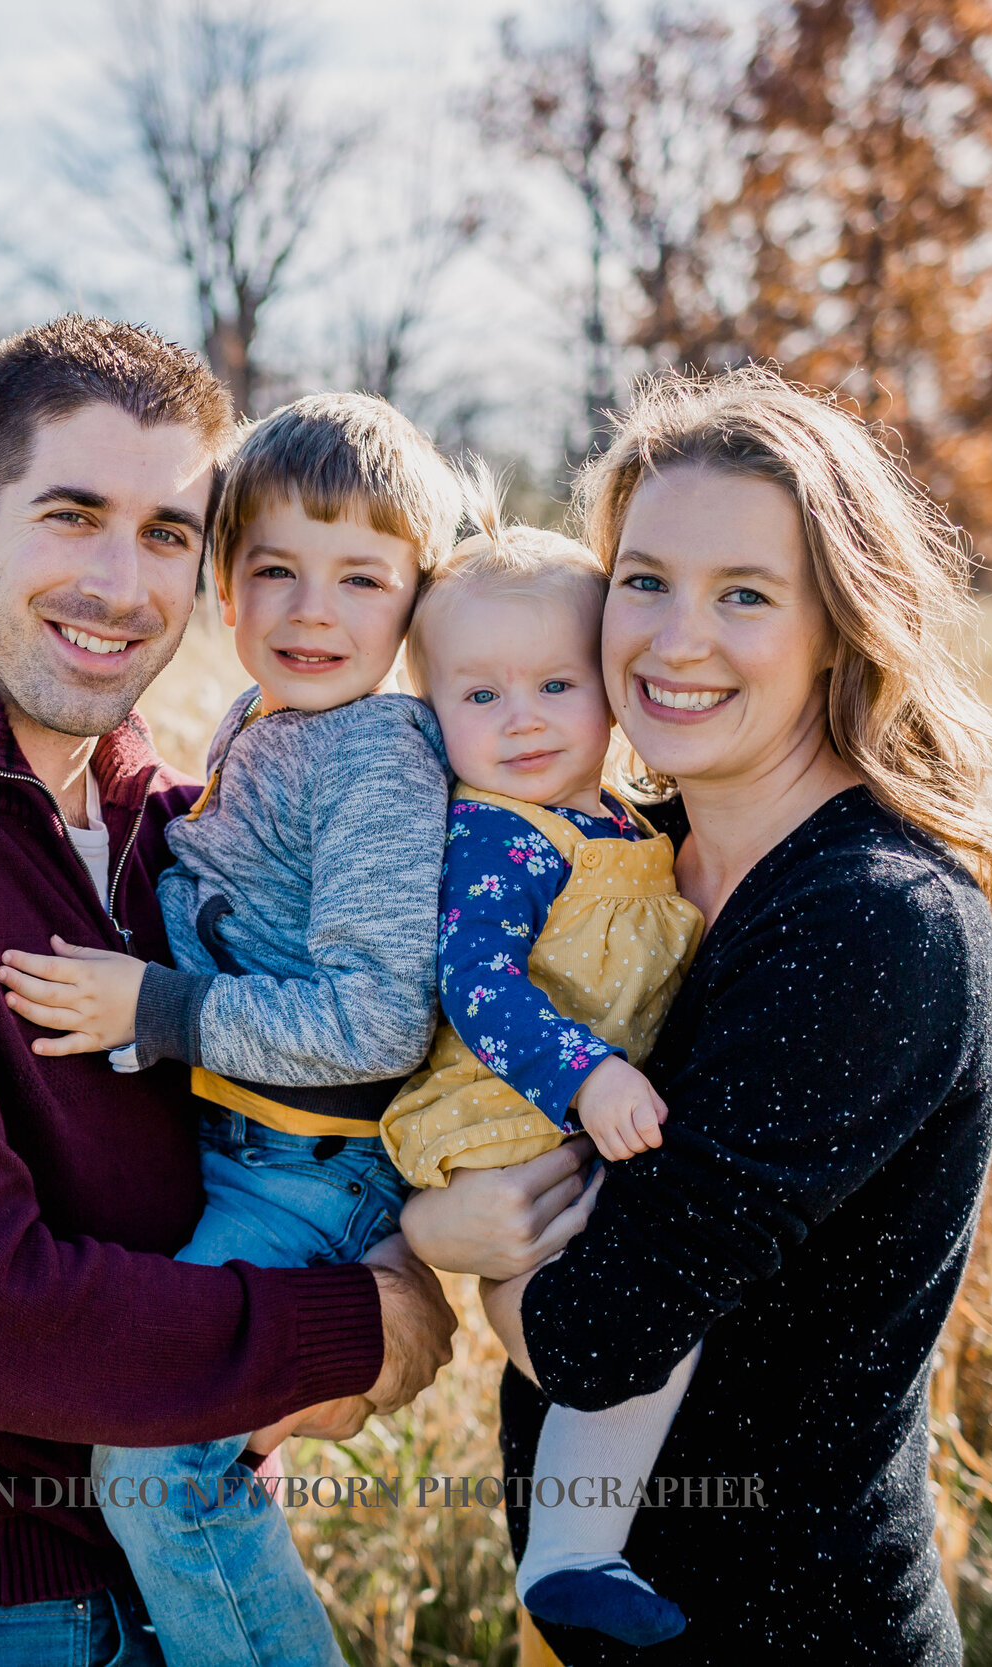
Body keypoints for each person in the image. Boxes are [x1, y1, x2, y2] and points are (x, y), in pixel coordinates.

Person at [0, 316, 468, 1667]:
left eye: (169, 531)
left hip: (198, 1543)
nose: (122, 581)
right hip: (6, 1611)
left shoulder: (170, 815)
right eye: (74, 514)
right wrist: (360, 1326)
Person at [397, 365, 992, 1662]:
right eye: (645, 579)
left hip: (788, 1630)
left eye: (743, 593)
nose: (674, 639)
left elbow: (597, 1334)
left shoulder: (871, 923)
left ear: (841, 622)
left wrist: (445, 1236)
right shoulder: (619, 853)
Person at [0, 391, 467, 1666]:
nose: (314, 611)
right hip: (248, 1152)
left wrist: (157, 1009)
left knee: (155, 1466)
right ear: (224, 588)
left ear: (417, 598)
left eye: (362, 576)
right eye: (275, 570)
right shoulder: (268, 721)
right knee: (186, 1455)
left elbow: (373, 1017)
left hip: (307, 1167)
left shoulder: (374, 757)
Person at [376, 515, 706, 1647]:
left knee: (636, 1311)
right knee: (584, 1307)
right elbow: (477, 986)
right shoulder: (498, 837)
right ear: (432, 706)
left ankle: (573, 1552)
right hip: (506, 1106)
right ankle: (572, 1549)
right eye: (478, 695)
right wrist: (589, 1072)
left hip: (571, 1109)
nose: (520, 718)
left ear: (612, 689)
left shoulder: (616, 818)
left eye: (556, 683)